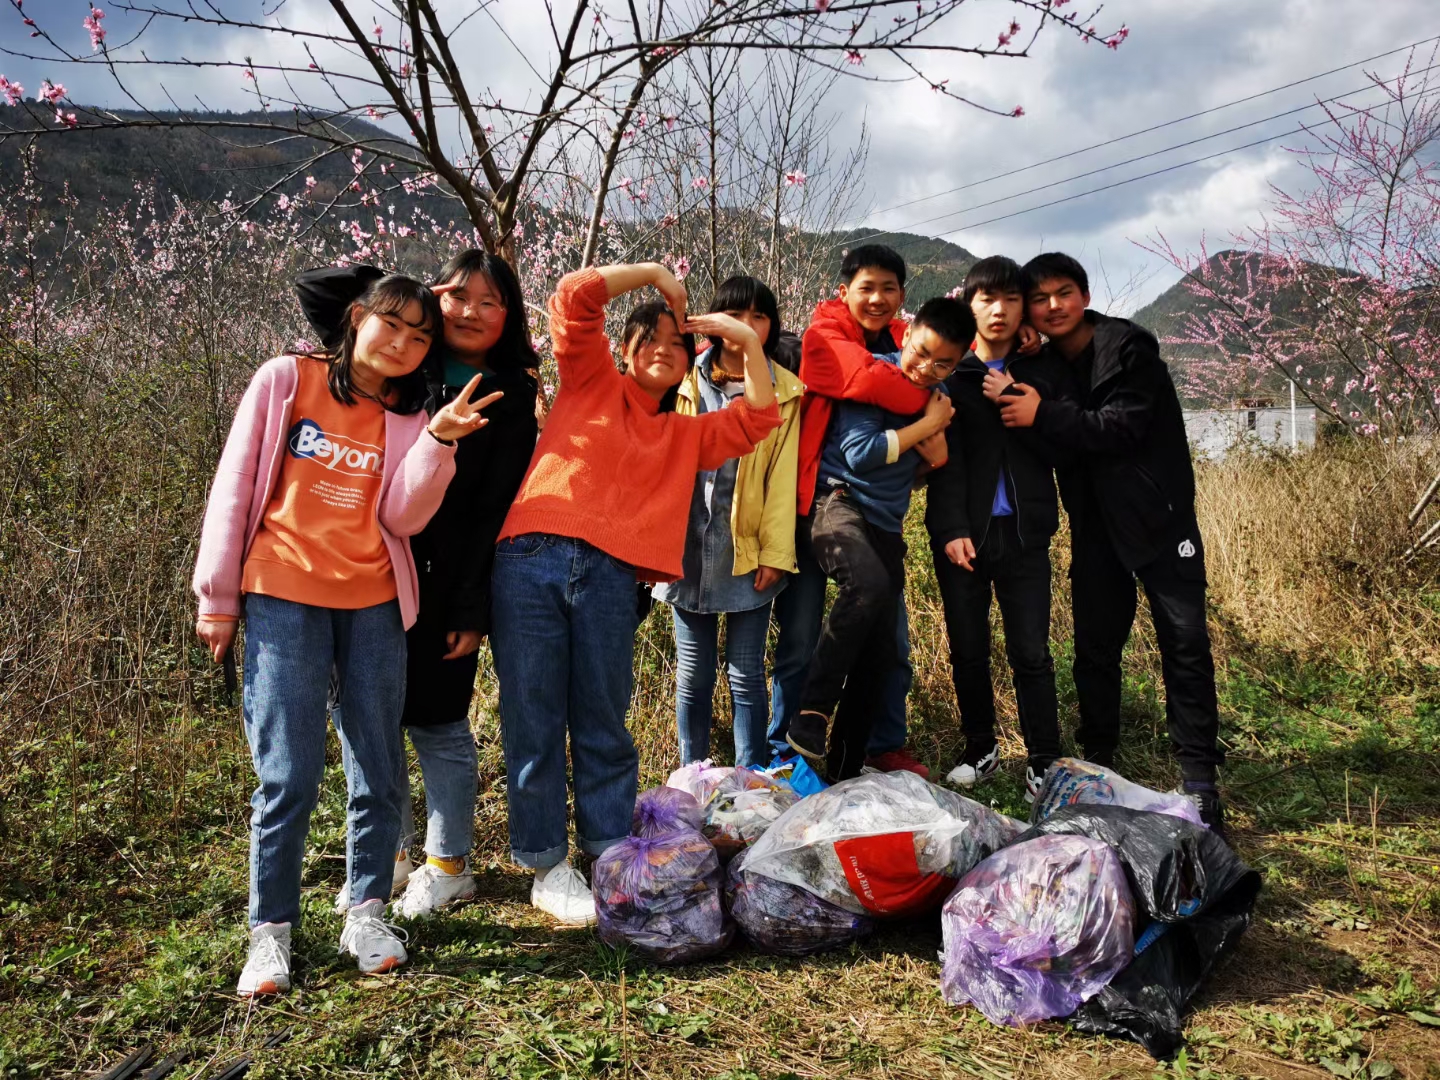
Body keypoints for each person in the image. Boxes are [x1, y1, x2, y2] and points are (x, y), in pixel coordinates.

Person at [192, 274, 501, 997]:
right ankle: (271, 932)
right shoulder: (285, 381)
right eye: (393, 325)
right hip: (281, 593)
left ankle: (365, 911)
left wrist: (436, 441)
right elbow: (235, 485)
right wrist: (218, 597)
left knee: (377, 764)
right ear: (358, 318)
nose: (403, 344)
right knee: (288, 774)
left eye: (420, 337)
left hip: (373, 602)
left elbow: (402, 518)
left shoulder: (406, 414)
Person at [490, 262, 780, 925]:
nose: (662, 348)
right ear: (623, 351)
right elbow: (572, 297)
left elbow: (759, 418)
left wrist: (749, 343)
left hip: (614, 577)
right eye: (648, 338)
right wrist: (655, 276)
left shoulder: (685, 435)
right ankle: (544, 863)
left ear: (689, 366)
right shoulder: (590, 382)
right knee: (533, 717)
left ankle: (606, 848)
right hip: (531, 558)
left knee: (602, 717)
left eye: (678, 344)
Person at [294, 250, 540, 919]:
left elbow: (495, 509)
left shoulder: (511, 395)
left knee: (437, 725)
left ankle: (448, 862)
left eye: (491, 302)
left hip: (446, 582)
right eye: (459, 296)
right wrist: (407, 294)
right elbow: (319, 293)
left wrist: (471, 605)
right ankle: (388, 855)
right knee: (369, 722)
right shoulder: (405, 363)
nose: (471, 311)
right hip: (365, 572)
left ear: (509, 318)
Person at [990, 252, 1228, 835]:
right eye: (1039, 299)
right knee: (1095, 650)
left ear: (1085, 293)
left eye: (1063, 293)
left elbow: (1121, 428)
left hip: (1159, 521)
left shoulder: (1128, 351)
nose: (1053, 306)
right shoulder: (1043, 366)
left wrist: (1045, 412)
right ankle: (1098, 764)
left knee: (1185, 643)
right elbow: (1052, 441)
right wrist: (1030, 385)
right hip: (1095, 527)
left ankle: (1198, 776)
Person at [769, 244, 937, 778]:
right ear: (845, 291)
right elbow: (867, 380)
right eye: (867, 287)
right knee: (799, 639)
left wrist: (932, 403)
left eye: (890, 288)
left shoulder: (907, 343)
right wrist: (929, 407)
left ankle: (862, 755)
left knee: (886, 646)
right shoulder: (825, 334)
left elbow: (939, 372)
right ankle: (787, 744)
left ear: (903, 296)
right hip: (820, 502)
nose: (878, 298)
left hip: (882, 514)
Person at [785, 297, 970, 779]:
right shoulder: (873, 377)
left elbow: (917, 472)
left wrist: (935, 456)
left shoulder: (941, 396)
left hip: (886, 523)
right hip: (838, 502)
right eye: (922, 351)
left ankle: (846, 768)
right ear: (905, 334)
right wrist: (928, 429)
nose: (928, 368)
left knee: (882, 651)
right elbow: (862, 453)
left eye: (944, 362)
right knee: (866, 584)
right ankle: (811, 714)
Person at [926, 256, 1068, 801]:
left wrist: (1013, 394)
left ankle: (1044, 758)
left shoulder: (1043, 372)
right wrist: (949, 529)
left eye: (1011, 299)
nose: (1000, 310)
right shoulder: (953, 375)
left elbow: (1058, 443)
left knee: (1031, 650)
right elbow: (945, 461)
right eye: (988, 299)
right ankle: (980, 746)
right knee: (968, 647)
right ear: (971, 306)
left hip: (1027, 533)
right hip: (964, 536)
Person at [654, 276, 803, 769]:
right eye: (735, 316)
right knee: (693, 675)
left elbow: (781, 481)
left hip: (748, 547)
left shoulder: (783, 391)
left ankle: (750, 778)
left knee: (745, 674)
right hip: (686, 546)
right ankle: (690, 777)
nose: (746, 327)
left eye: (758, 317)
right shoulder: (683, 378)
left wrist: (776, 555)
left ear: (771, 326)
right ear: (714, 323)